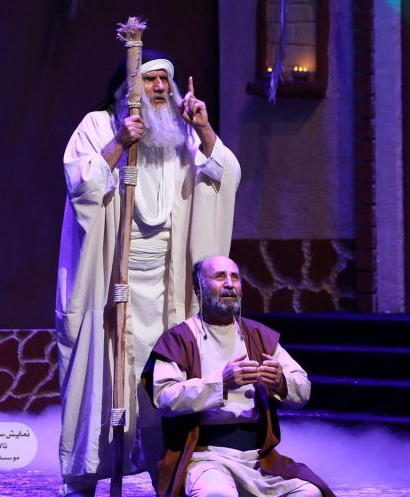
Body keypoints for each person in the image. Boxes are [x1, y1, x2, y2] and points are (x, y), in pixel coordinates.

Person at [55, 50, 241, 497]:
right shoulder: (98, 125)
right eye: (150, 79)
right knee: (101, 384)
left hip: (167, 288)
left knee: (164, 382)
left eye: (164, 81)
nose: (159, 87)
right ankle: (83, 481)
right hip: (110, 285)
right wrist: (120, 141)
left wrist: (204, 129)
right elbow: (81, 185)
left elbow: (225, 175)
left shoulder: (181, 134)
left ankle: (169, 476)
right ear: (127, 89)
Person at [142, 255, 334, 497]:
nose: (229, 284)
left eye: (235, 277)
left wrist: (281, 382)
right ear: (199, 288)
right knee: (216, 493)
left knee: (309, 493)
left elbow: (303, 387)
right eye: (219, 277)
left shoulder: (259, 336)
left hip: (257, 459)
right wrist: (221, 383)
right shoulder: (180, 339)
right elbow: (164, 398)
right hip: (204, 457)